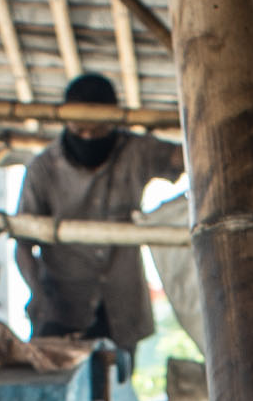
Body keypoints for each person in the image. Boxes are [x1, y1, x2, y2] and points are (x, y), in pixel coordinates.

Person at [13, 70, 182, 357]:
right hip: (61, 308)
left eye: (98, 131)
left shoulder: (135, 151)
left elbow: (187, 157)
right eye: (80, 132)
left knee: (118, 390)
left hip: (122, 304)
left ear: (115, 122)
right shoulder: (42, 169)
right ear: (66, 122)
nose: (89, 137)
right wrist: (40, 297)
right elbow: (23, 244)